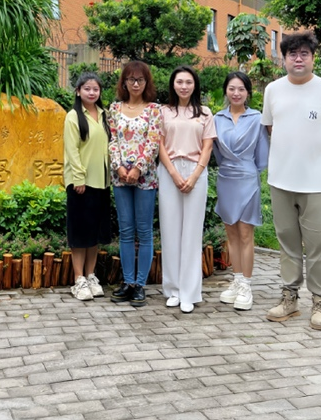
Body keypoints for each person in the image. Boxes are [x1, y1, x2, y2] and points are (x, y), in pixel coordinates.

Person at [261, 31, 321, 330]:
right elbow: (271, 127)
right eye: (292, 54)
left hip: (315, 184)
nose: (298, 59)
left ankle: (320, 302)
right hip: (280, 181)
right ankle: (289, 299)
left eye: (304, 54)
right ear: (284, 58)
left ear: (313, 58)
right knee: (287, 244)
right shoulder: (273, 90)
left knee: (317, 247)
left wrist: (318, 157)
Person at [158, 66, 216, 313]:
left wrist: (194, 176)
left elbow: (208, 146)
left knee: (192, 233)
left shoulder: (204, 113)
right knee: (170, 231)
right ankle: (173, 289)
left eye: (188, 82)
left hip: (196, 171)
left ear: (195, 85)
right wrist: (173, 173)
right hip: (169, 170)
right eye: (179, 82)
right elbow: (159, 144)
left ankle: (190, 292)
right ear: (173, 84)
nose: (184, 86)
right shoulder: (163, 112)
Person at [213, 71, 269, 311]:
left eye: (241, 89)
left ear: (248, 92)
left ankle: (246, 285)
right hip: (226, 177)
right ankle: (236, 281)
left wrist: (249, 170)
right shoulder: (217, 118)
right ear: (226, 91)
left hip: (247, 178)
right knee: (232, 235)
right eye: (232, 88)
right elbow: (215, 151)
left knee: (246, 234)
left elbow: (262, 155)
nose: (236, 93)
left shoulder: (257, 118)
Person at [108, 61, 162, 307]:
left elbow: (153, 142)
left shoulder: (154, 110)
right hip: (120, 177)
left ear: (146, 82)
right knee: (126, 231)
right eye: (131, 79)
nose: (136, 84)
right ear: (124, 82)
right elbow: (112, 141)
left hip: (145, 177)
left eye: (140, 79)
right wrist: (119, 167)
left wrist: (138, 168)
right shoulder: (114, 108)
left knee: (144, 231)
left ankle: (140, 285)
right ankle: (127, 282)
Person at [63, 72, 111, 301]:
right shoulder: (73, 116)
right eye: (87, 89)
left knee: (95, 232)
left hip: (102, 181)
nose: (92, 93)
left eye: (95, 89)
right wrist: (78, 178)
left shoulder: (104, 115)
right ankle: (78, 279)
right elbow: (71, 150)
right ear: (78, 91)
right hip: (81, 183)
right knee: (80, 232)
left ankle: (91, 276)